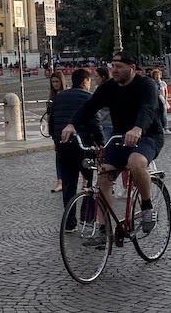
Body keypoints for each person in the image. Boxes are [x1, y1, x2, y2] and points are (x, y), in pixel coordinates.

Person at [61, 52, 164, 235]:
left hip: (148, 135)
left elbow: (148, 108)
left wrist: (138, 128)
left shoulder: (145, 84)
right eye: (112, 67)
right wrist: (71, 125)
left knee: (135, 162)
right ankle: (104, 229)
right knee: (102, 176)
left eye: (118, 67)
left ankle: (147, 207)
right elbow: (88, 107)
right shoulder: (109, 87)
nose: (113, 71)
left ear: (131, 69)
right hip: (119, 138)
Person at [52, 68, 101, 227]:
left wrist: (56, 140)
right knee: (89, 183)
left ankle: (69, 222)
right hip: (84, 147)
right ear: (85, 82)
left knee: (68, 185)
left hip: (64, 146)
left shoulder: (59, 98)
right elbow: (96, 124)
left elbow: (52, 123)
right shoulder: (89, 97)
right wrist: (101, 144)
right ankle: (87, 218)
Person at [47, 71, 67, 193]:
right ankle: (60, 181)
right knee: (58, 157)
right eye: (53, 82)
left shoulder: (66, 93)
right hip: (57, 131)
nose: (55, 84)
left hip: (68, 128)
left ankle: (85, 180)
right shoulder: (52, 97)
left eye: (57, 81)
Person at [150, 68, 171, 134]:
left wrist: (166, 100)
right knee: (157, 115)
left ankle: (166, 128)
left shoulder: (163, 83)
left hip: (162, 99)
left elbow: (166, 92)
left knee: (164, 115)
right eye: (156, 75)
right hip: (155, 100)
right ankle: (159, 128)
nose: (157, 76)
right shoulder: (152, 83)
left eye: (158, 74)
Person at [94, 66, 113, 141]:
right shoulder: (97, 89)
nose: (95, 78)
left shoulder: (109, 90)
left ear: (103, 77)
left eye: (97, 76)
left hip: (108, 124)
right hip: (102, 124)